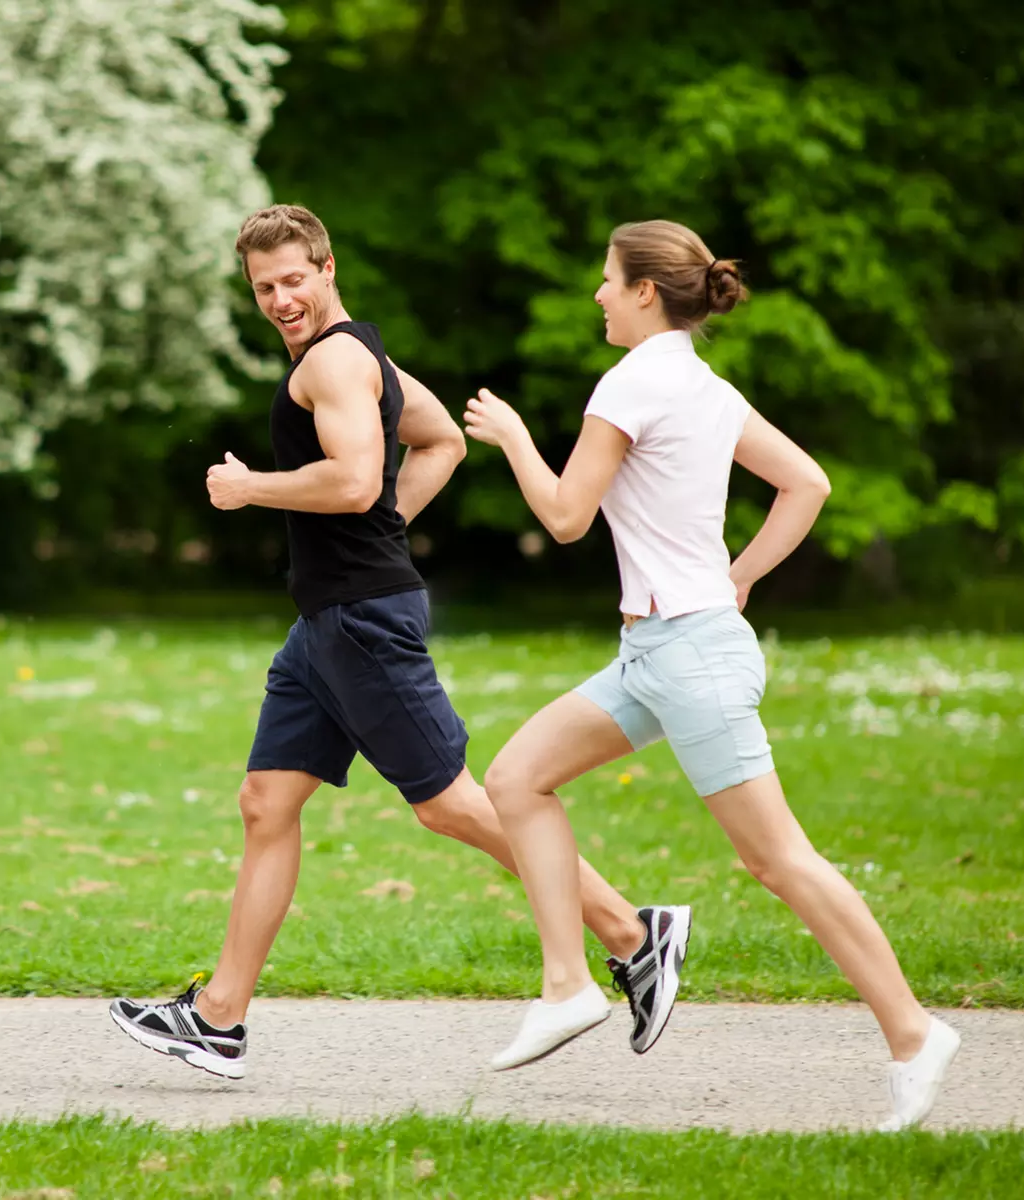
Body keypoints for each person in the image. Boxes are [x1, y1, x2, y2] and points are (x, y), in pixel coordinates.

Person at [107, 204, 687, 1079]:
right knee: (266, 801)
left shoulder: (335, 361)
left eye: (294, 280)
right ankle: (217, 1017)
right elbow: (441, 441)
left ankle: (631, 934)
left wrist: (248, 487)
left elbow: (347, 480)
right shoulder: (360, 357)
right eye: (264, 287)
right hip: (325, 625)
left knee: (447, 803)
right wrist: (383, 526)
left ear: (327, 268)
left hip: (361, 622)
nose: (280, 299)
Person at [460, 219, 960, 1130]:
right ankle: (568, 983)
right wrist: (739, 576)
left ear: (646, 290)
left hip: (688, 656)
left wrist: (515, 437)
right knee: (514, 779)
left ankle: (913, 1033)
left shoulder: (631, 381)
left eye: (609, 280)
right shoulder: (700, 381)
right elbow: (805, 482)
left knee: (776, 859)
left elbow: (568, 516)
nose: (599, 295)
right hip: (657, 653)